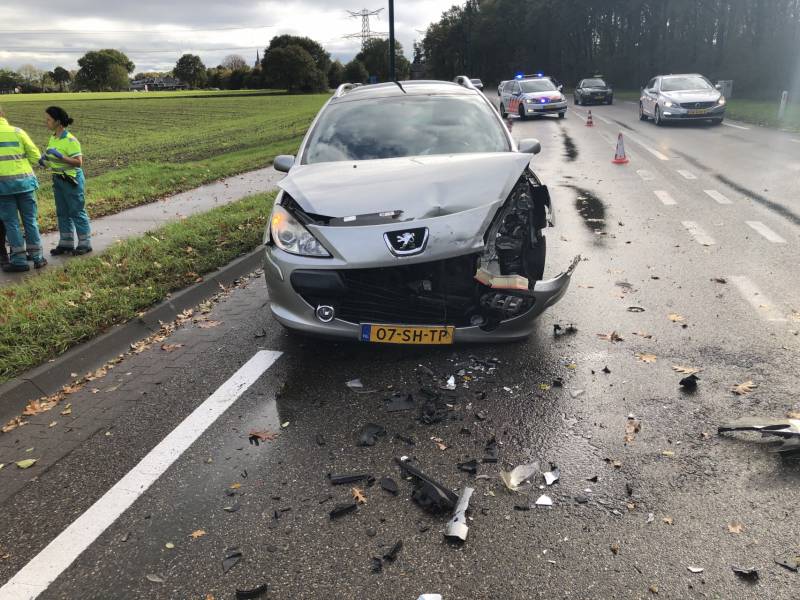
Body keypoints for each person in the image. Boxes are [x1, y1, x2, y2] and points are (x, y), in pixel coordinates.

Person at [0, 104, 46, 272]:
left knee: (11, 223)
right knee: (30, 221)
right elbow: (35, 156)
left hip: (3, 188)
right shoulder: (18, 132)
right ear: (3, 114)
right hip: (26, 184)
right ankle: (38, 258)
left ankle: (19, 261)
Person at [43, 106, 91, 255]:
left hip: (71, 180)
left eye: (49, 119)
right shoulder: (53, 137)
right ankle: (66, 243)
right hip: (58, 179)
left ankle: (85, 243)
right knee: (62, 212)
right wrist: (44, 161)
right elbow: (53, 160)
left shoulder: (70, 140)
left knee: (76, 211)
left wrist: (60, 157)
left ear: (58, 121)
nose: (46, 122)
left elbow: (78, 162)